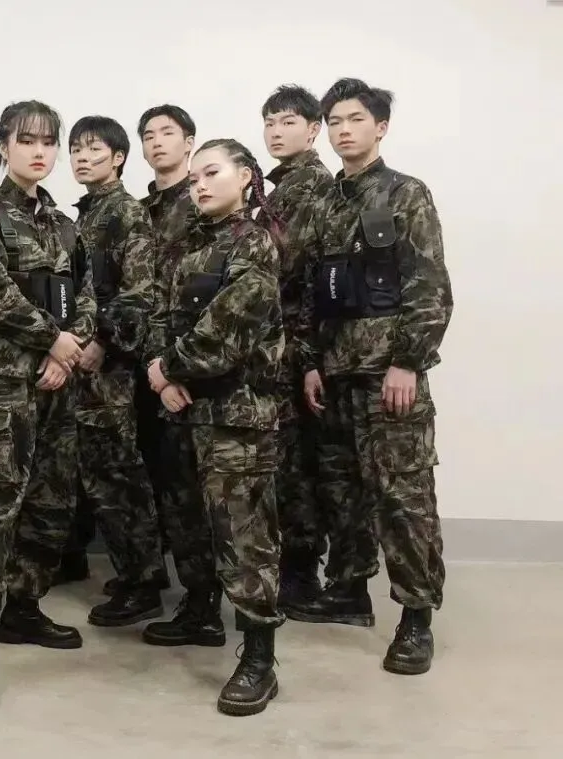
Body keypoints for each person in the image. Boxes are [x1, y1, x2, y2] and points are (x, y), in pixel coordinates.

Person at [290, 78, 452, 677]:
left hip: (388, 373)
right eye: (334, 121)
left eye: (355, 119)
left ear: (380, 127)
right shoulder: (324, 203)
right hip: (334, 373)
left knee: (403, 496)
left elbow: (429, 286)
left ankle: (416, 618)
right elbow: (309, 292)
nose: (343, 130)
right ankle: (348, 590)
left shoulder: (406, 193)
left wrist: (409, 360)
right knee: (341, 492)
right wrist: (309, 361)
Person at [0, 100, 96, 711]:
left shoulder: (64, 225)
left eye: (48, 142)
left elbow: (87, 294)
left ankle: (24, 608)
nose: (39, 151)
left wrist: (70, 348)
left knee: (49, 502)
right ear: (3, 146)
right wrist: (52, 339)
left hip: (56, 384)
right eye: (26, 140)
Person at [146, 138, 286, 716]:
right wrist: (160, 376)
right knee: (186, 521)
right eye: (195, 177)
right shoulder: (184, 246)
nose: (200, 185)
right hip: (182, 409)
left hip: (235, 416)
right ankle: (200, 612)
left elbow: (225, 334)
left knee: (243, 535)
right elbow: (156, 314)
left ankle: (259, 658)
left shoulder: (255, 243)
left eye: (212, 173)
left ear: (246, 176)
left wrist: (167, 368)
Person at [66, 115, 166, 627]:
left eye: (94, 149)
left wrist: (103, 343)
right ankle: (120, 569)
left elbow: (139, 292)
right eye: (76, 150)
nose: (82, 158)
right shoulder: (83, 215)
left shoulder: (126, 212)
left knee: (118, 475)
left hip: (109, 367)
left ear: (119, 157)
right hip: (76, 362)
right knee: (89, 471)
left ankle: (143, 582)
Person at [136, 105, 223, 648]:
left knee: (205, 498)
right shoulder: (138, 210)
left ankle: (210, 606)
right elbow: (150, 300)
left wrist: (173, 370)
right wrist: (157, 370)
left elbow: (213, 307)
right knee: (171, 492)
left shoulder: (207, 213)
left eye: (168, 133)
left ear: (190, 142)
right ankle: (194, 600)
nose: (157, 142)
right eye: (148, 135)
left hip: (198, 376)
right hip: (152, 369)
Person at [260, 84, 336, 611]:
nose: (275, 131)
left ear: (312, 130)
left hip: (296, 344)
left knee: (295, 463)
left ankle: (302, 571)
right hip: (278, 343)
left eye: (287, 122)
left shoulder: (311, 186)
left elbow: (295, 270)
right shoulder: (281, 186)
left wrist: (306, 357)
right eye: (269, 122)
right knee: (282, 458)